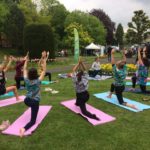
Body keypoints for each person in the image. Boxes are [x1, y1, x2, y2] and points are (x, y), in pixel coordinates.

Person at [19, 53, 47, 137]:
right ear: (36, 74)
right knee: (33, 121)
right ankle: (23, 129)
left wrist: (26, 61)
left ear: (29, 74)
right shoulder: (38, 81)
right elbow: (44, 71)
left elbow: (24, 69)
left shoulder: (26, 79)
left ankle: (32, 108)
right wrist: (44, 60)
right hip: (34, 102)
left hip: (26, 100)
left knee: (32, 105)